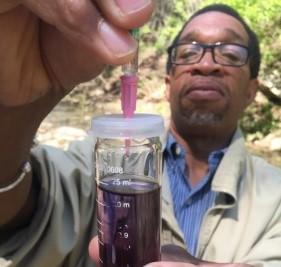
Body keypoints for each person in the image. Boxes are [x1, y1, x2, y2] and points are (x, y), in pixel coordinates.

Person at [0, 1, 280, 267]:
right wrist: (16, 111)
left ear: (252, 91)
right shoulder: (92, 163)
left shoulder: (274, 198)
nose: (206, 64)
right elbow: (19, 209)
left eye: (230, 54)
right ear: (168, 84)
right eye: (188, 52)